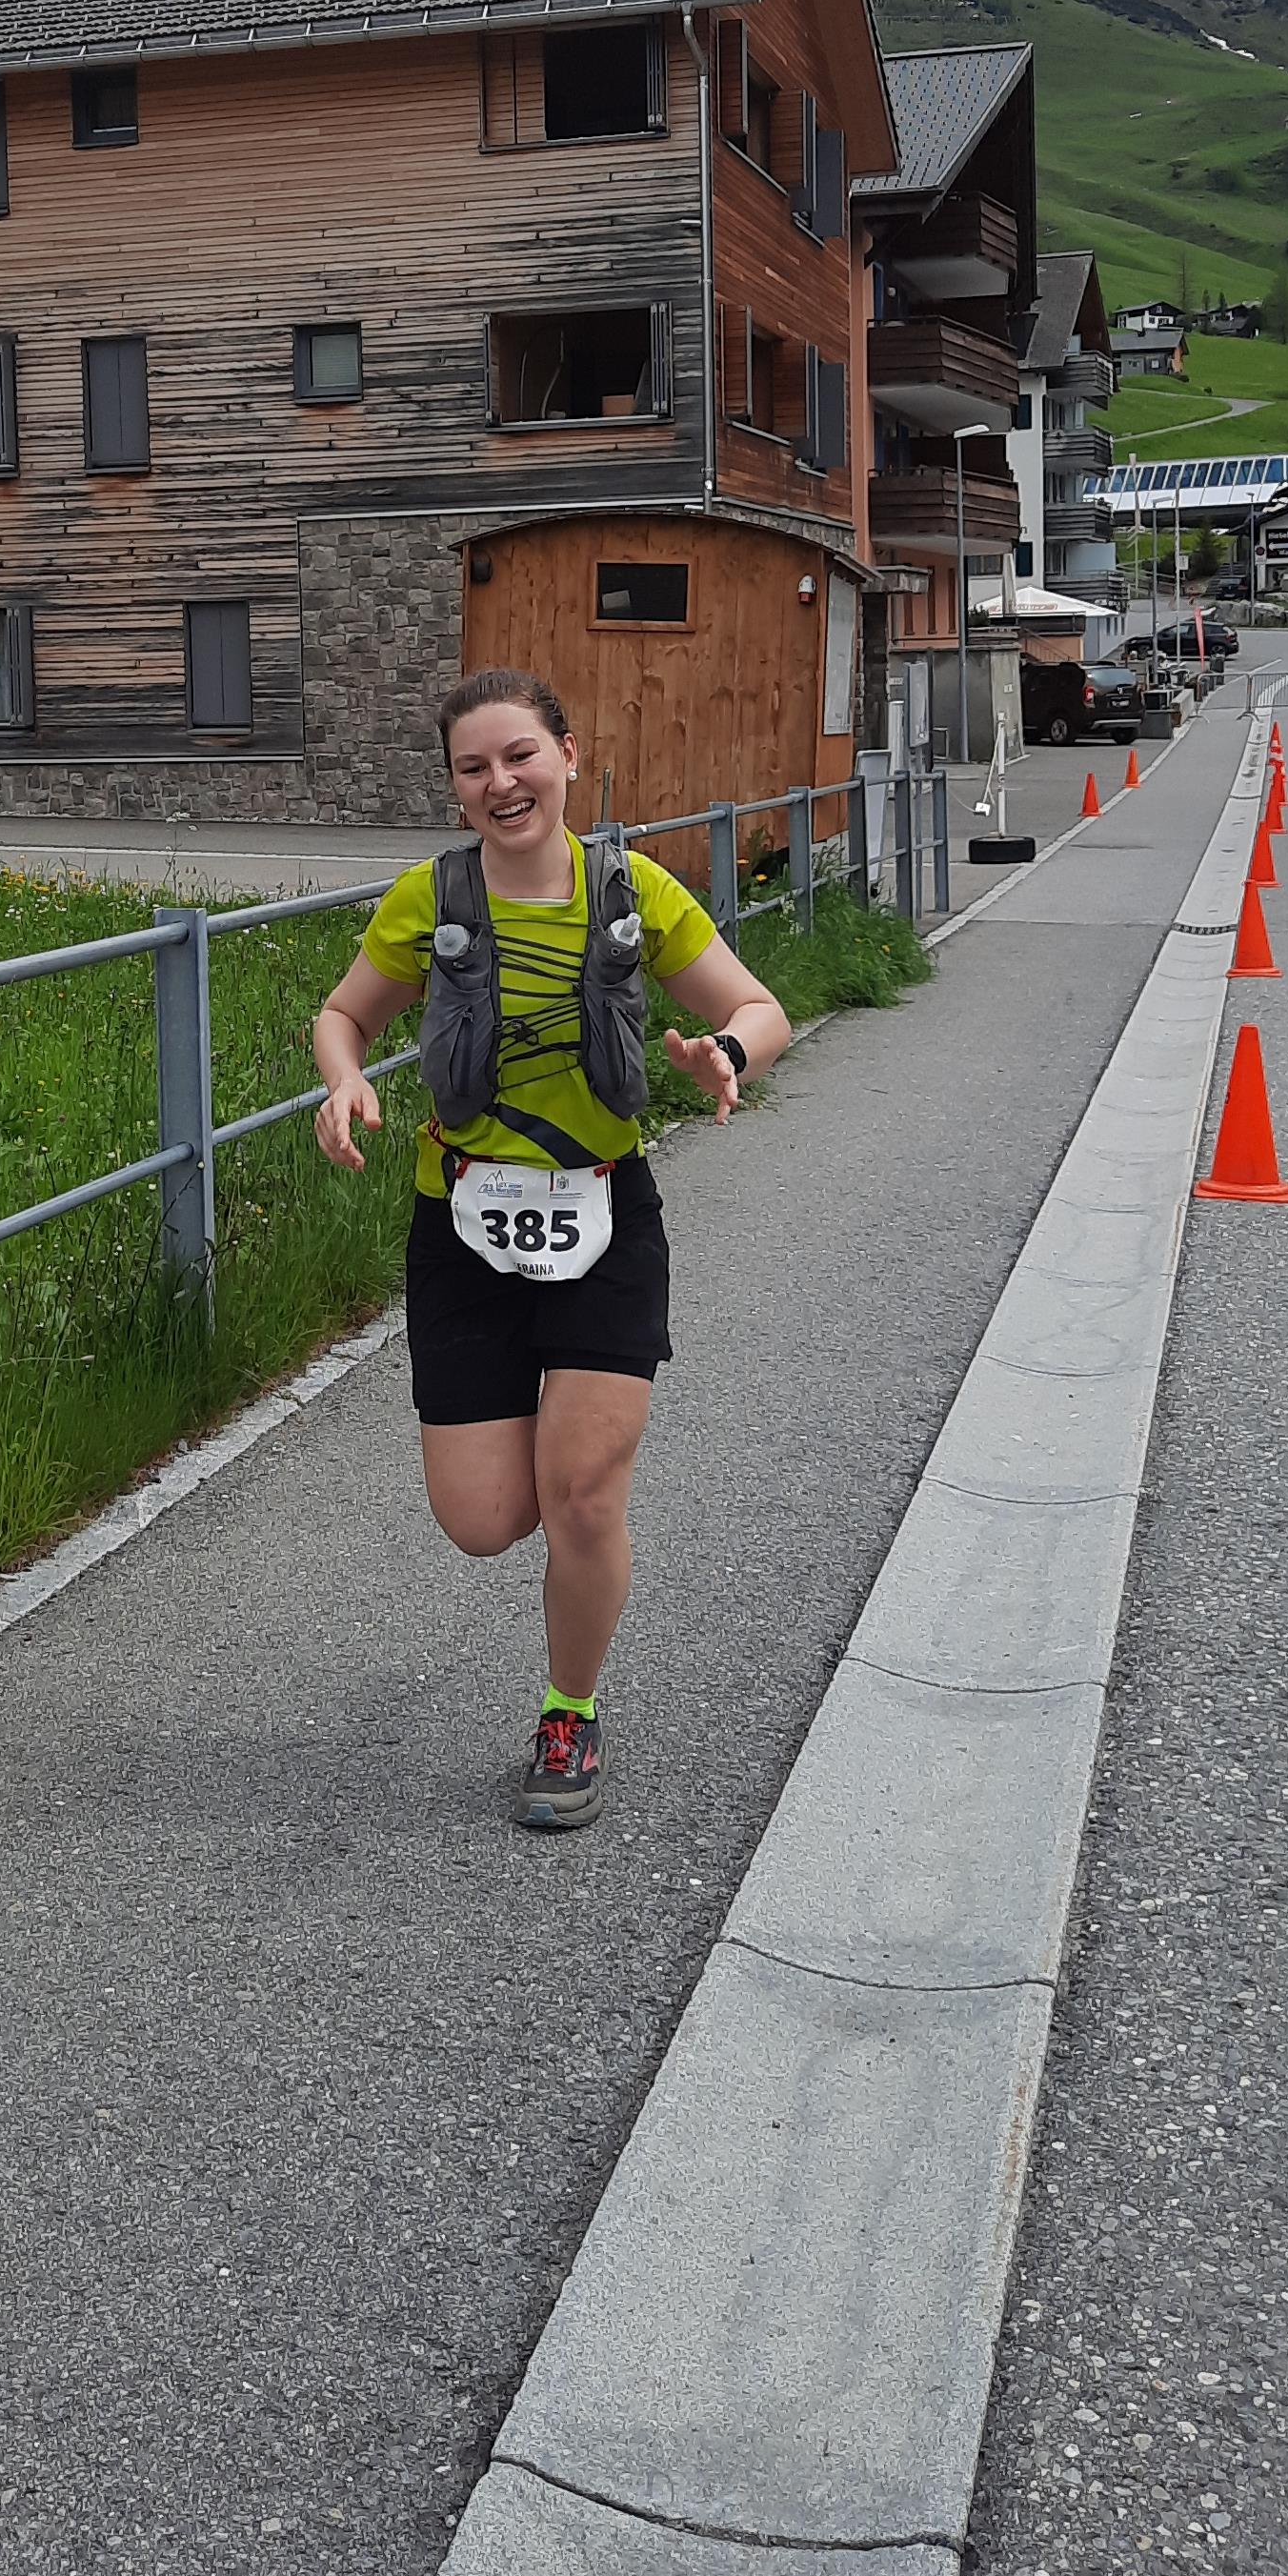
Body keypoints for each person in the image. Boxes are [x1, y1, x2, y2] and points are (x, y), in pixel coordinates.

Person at [312, 666, 791, 1832]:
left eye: (520, 754)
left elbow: (761, 1007)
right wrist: (341, 1089)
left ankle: (568, 1707)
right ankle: (572, 1490)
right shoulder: (431, 897)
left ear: (569, 754)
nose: (501, 782)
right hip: (464, 1222)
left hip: (604, 1211)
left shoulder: (633, 890)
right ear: (456, 788)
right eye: (473, 767)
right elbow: (345, 1013)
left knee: (582, 1493)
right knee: (484, 1518)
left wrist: (723, 1054)